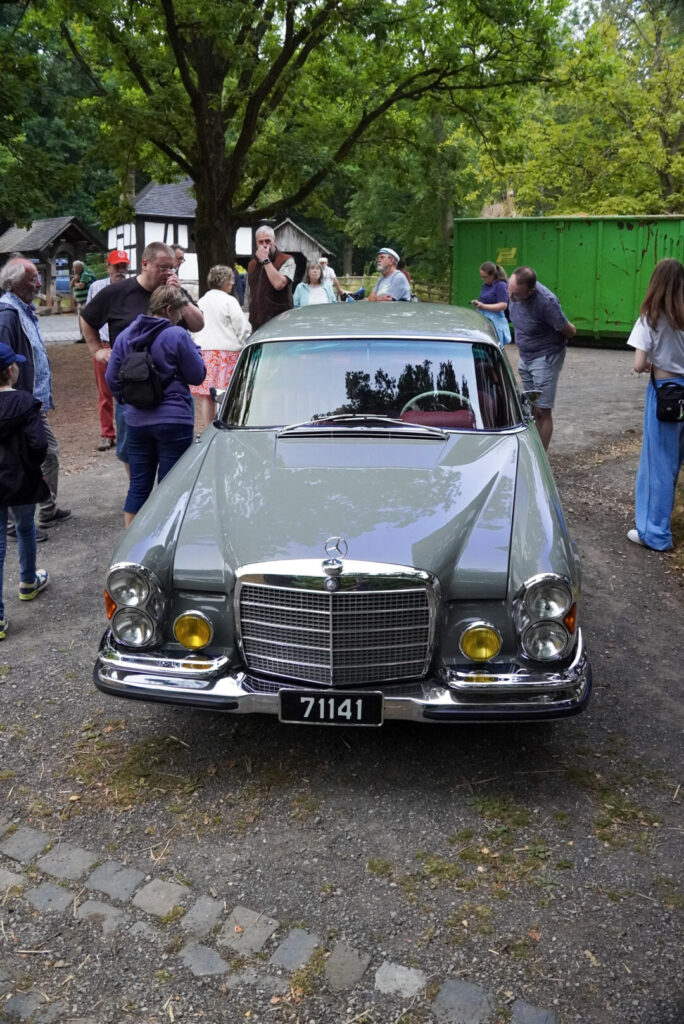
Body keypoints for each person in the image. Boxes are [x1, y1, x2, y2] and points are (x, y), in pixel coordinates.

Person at [80, 242, 205, 472]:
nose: (168, 273)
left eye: (171, 268)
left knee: (174, 459)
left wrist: (181, 296)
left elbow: (198, 324)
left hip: (172, 390)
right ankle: (139, 496)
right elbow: (87, 319)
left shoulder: (173, 292)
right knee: (132, 454)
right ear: (145, 264)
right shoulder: (117, 292)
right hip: (133, 387)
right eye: (162, 267)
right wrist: (97, 350)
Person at [105, 285, 206, 526]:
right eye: (179, 312)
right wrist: (196, 353)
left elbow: (111, 378)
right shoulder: (177, 336)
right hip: (174, 420)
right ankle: (165, 546)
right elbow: (197, 376)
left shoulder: (125, 336)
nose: (181, 317)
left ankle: (131, 550)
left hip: (137, 421)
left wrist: (129, 401)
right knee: (171, 487)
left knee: (138, 487)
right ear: (168, 309)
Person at [0, 258, 71, 536]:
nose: (39, 283)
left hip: (28, 402)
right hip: (16, 403)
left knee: (45, 452)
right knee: (30, 456)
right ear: (16, 283)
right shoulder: (8, 314)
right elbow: (3, 362)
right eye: (33, 278)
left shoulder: (22, 309)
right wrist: (13, 400)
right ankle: (15, 523)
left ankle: (47, 509)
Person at [626, 258, 684, 551]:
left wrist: (650, 361)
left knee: (659, 463)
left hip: (666, 394)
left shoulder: (651, 317)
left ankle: (655, 534)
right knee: (677, 461)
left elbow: (638, 364)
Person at [0, 343, 50, 638]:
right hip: (21, 479)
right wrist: (31, 465)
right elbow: (39, 444)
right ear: (11, 370)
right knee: (25, 527)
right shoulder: (26, 402)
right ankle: (28, 581)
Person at [508, 265, 576, 450]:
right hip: (525, 355)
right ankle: (531, 451)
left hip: (545, 356)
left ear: (530, 291)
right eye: (510, 290)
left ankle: (540, 462)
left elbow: (568, 330)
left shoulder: (546, 302)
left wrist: (570, 329)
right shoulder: (513, 289)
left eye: (516, 294)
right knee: (531, 407)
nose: (511, 297)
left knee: (542, 410)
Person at [190, 265, 251, 432]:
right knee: (226, 394)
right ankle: (226, 426)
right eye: (231, 281)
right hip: (227, 352)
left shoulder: (201, 301)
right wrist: (245, 340)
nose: (232, 284)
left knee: (207, 397)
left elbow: (193, 327)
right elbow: (241, 326)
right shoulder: (229, 301)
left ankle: (208, 429)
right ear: (225, 282)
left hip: (205, 352)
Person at [85, 250, 130, 451]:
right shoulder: (97, 287)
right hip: (104, 346)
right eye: (116, 266)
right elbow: (87, 316)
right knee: (105, 392)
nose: (120, 271)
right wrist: (94, 347)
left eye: (124, 266)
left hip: (127, 347)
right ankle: (107, 433)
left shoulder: (132, 287)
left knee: (129, 389)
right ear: (108, 267)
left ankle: (127, 432)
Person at [245, 226, 295, 329]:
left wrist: (265, 260)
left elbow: (279, 284)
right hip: (256, 323)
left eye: (268, 241)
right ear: (256, 243)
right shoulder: (252, 264)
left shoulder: (287, 260)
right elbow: (248, 293)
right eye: (260, 242)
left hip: (279, 321)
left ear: (274, 241)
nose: (264, 245)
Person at [471, 261, 511, 350]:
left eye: (485, 277)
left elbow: (503, 305)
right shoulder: (485, 285)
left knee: (494, 347)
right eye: (481, 277)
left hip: (495, 320)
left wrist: (483, 306)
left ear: (493, 275)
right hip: (483, 317)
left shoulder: (501, 285)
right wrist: (477, 303)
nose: (483, 279)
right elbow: (484, 300)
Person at [70, 260, 96, 343]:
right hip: (80, 301)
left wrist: (75, 282)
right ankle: (83, 337)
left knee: (86, 319)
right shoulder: (77, 275)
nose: (73, 269)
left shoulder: (85, 274)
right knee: (80, 319)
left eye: (74, 268)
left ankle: (89, 337)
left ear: (78, 268)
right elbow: (71, 285)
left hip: (86, 301)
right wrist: (74, 281)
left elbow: (81, 286)